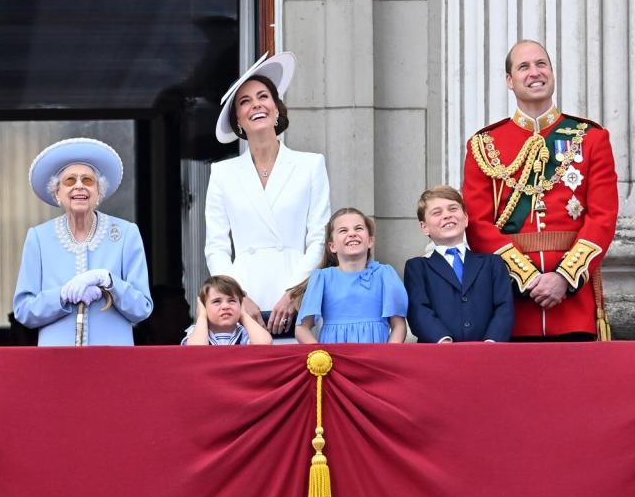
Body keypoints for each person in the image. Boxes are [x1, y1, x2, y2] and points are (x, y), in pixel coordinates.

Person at [463, 40, 618, 341]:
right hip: (511, 305)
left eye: (541, 64)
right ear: (510, 81)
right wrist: (528, 277)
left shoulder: (591, 138)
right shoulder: (484, 145)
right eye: (524, 67)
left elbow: (603, 217)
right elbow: (478, 225)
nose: (535, 72)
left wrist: (564, 277)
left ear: (552, 72)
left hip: (573, 304)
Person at [205, 52, 331, 338]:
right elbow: (216, 247)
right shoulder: (222, 174)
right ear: (238, 119)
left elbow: (318, 238)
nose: (256, 105)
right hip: (244, 296)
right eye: (245, 101)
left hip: (299, 296)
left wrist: (293, 292)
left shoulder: (310, 165)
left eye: (263, 97)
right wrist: (237, 297)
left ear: (277, 109)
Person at [13, 138, 153, 345]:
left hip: (113, 357)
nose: (79, 186)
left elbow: (142, 309)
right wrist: (62, 295)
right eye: (70, 181)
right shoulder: (39, 238)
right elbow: (24, 311)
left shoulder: (126, 234)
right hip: (57, 358)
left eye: (88, 180)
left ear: (99, 192)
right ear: (57, 193)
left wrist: (109, 281)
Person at [404, 186, 514, 343]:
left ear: (466, 218)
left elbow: (504, 307)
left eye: (453, 209)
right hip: (439, 353)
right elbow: (418, 309)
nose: (447, 215)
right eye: (437, 213)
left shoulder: (492, 263)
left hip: (488, 352)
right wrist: (442, 340)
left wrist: (491, 341)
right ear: (424, 227)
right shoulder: (417, 267)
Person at [294, 208, 407, 344]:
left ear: (370, 240)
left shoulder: (385, 274)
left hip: (376, 357)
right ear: (332, 246)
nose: (352, 233)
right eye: (343, 230)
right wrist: (321, 356)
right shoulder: (322, 278)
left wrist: (387, 357)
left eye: (358, 228)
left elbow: (399, 325)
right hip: (334, 358)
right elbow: (301, 329)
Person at [181, 276, 273, 345]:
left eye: (232, 301)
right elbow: (196, 350)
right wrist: (202, 316)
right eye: (217, 301)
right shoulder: (197, 331)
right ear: (204, 307)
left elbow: (264, 344)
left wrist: (243, 315)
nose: (225, 306)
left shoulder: (245, 332)